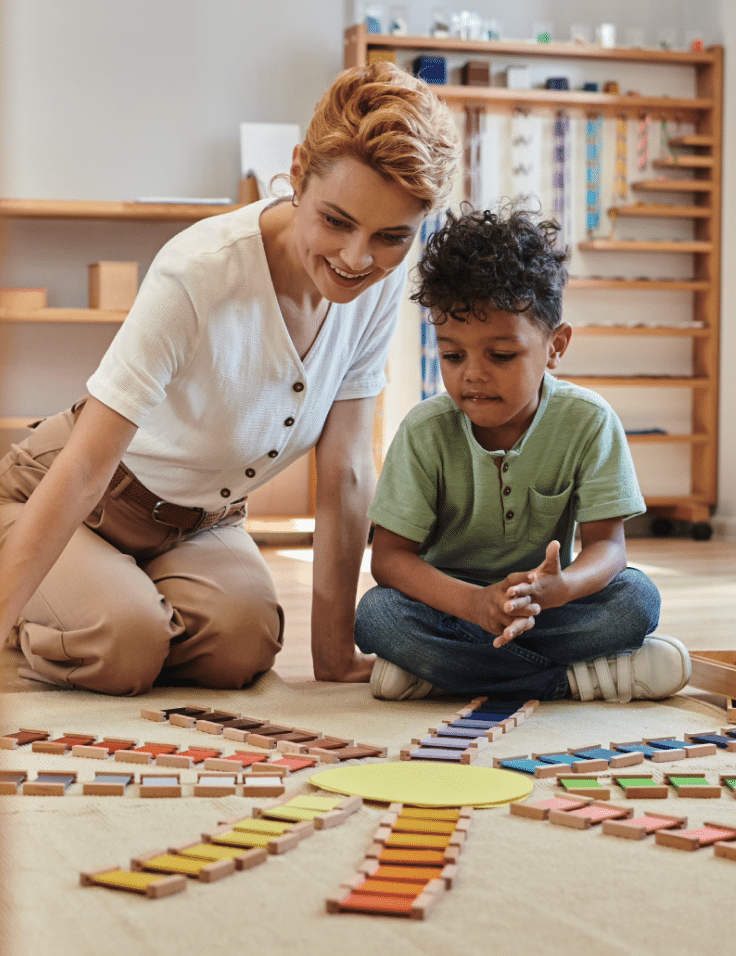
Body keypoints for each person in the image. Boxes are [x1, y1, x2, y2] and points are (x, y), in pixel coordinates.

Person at [0, 62, 462, 696]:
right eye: (336, 222)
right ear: (299, 172)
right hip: (77, 493)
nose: (358, 259)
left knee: (241, 648)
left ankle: (108, 603)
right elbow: (82, 471)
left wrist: (333, 655)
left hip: (201, 522)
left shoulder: (374, 287)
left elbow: (348, 467)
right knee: (124, 646)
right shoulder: (200, 270)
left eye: (391, 237)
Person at [355, 206, 691, 703]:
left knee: (637, 601)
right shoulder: (425, 431)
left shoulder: (588, 421)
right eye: (452, 355)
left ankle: (439, 673)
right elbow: (389, 560)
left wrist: (563, 588)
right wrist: (474, 604)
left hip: (546, 608)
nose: (472, 374)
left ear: (555, 347)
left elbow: (609, 548)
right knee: (378, 615)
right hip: (449, 605)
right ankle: (577, 680)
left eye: (501, 355)